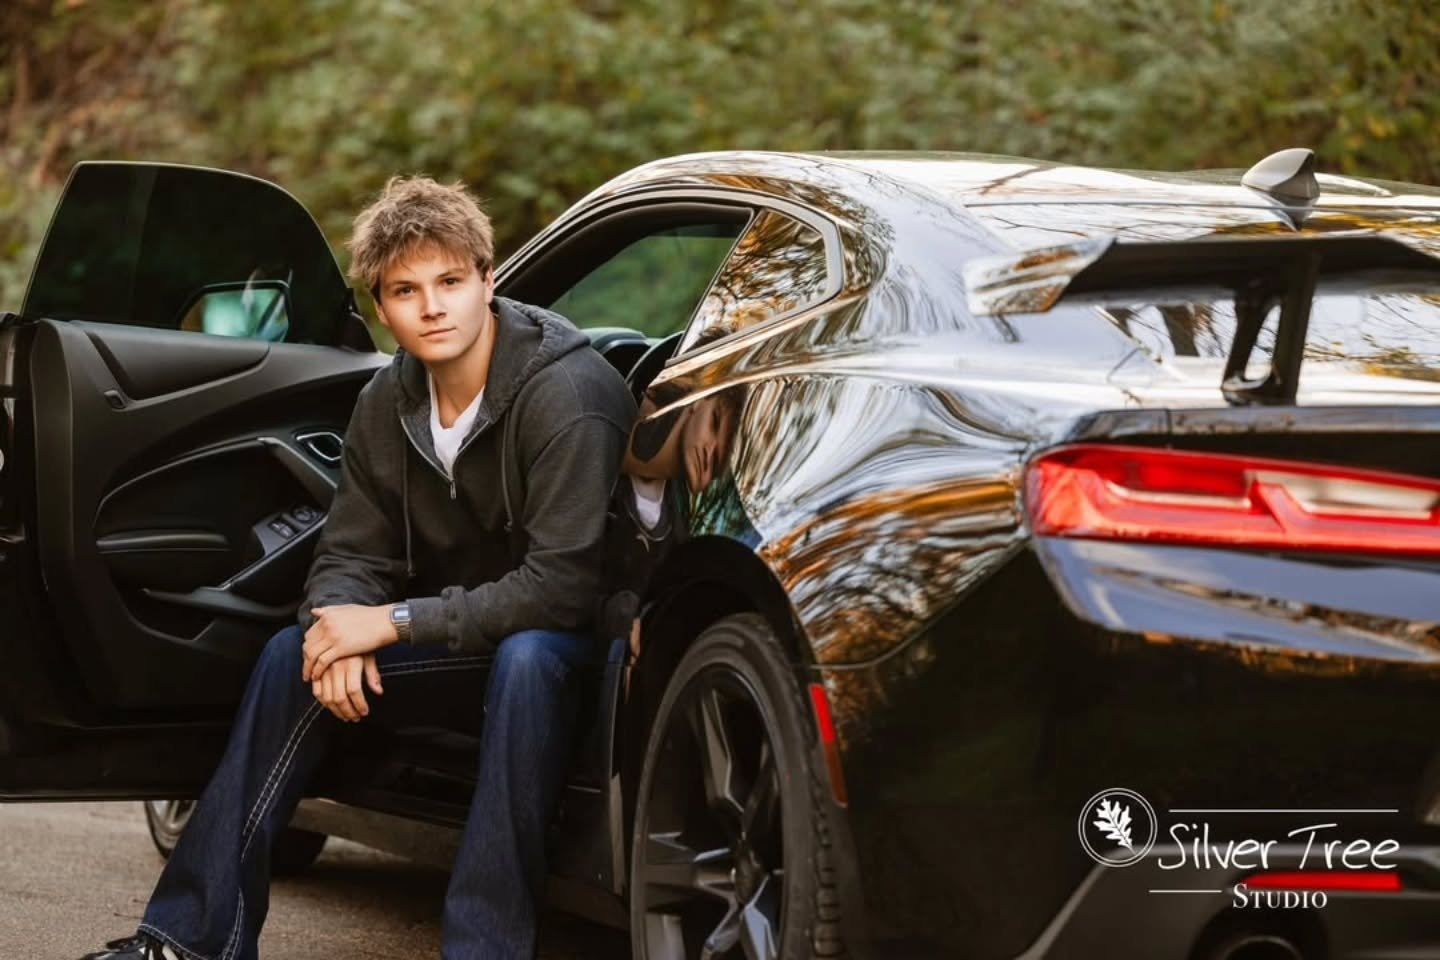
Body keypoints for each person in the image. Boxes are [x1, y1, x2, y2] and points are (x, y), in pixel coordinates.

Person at [81, 176, 636, 960]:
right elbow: (349, 553)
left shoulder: (568, 394)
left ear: (489, 279)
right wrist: (335, 633)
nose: (433, 306)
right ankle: (188, 941)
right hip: (468, 637)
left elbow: (564, 588)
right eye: (406, 291)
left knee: (528, 655)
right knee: (289, 658)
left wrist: (394, 621)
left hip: (585, 652)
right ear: (382, 308)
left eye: (450, 282)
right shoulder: (388, 400)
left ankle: (483, 949)